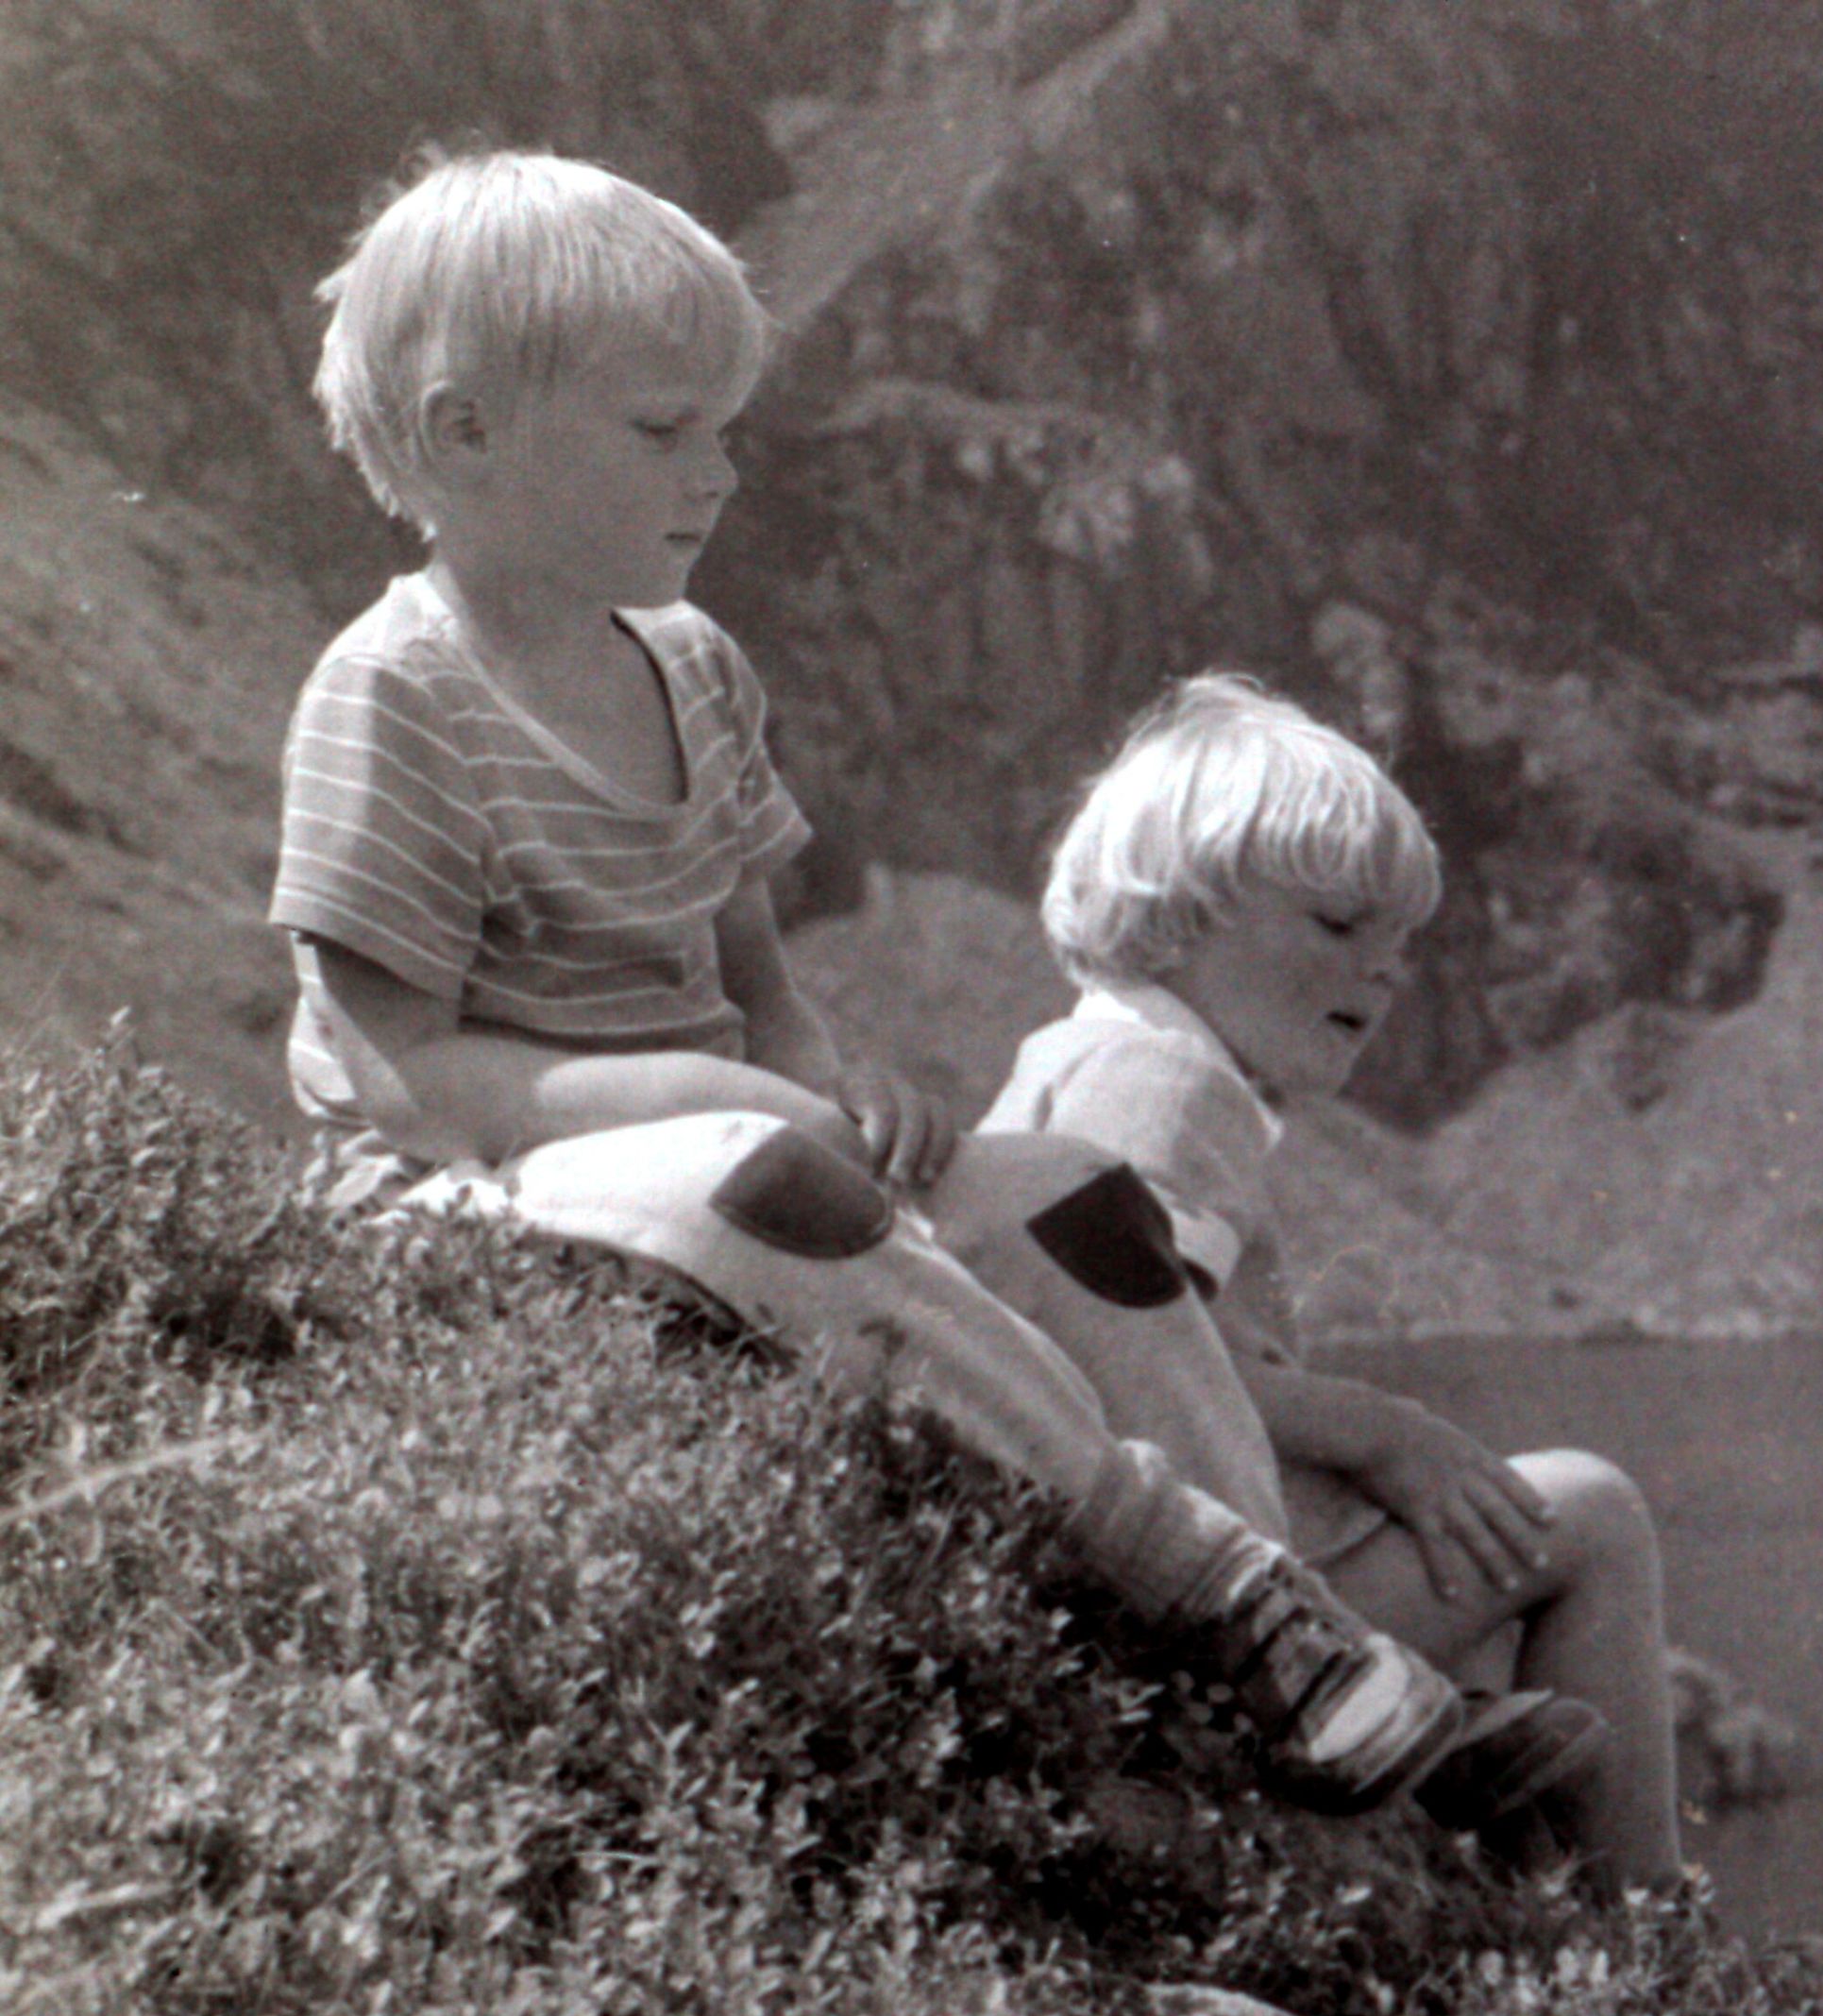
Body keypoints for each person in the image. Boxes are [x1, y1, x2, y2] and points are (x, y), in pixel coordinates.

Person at [262, 147, 1592, 1852]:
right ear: (464, 440)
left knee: (1063, 1196)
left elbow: (760, 989)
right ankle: (1177, 1565)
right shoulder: (390, 698)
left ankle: (1293, 1654)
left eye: (724, 430)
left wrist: (835, 1075)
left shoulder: (688, 668)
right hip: (470, 1195)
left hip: (703, 1145)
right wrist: (710, 1096)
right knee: (766, 1176)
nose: (721, 475)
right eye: (666, 433)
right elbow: (399, 1076)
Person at [983, 674, 1684, 1890]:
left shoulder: (1069, 1055)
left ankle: (1462, 1752)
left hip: (1122, 1609)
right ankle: (1647, 1917)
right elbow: (1146, 1360)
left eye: (1399, 944)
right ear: (1181, 912)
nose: (1384, 973)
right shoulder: (1169, 1086)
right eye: (1337, 927)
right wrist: (1385, 1432)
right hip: (1216, 1642)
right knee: (1591, 1511)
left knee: (1482, 1536)